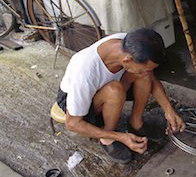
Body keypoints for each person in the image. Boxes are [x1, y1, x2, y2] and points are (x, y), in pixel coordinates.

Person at [56, 28, 185, 164]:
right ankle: (107, 138)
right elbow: (72, 123)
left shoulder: (129, 44)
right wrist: (121, 137)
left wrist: (169, 111)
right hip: (75, 101)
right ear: (127, 60)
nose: (147, 71)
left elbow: (151, 79)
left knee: (144, 75)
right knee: (115, 90)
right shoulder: (85, 72)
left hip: (105, 87)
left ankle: (136, 122)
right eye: (144, 67)